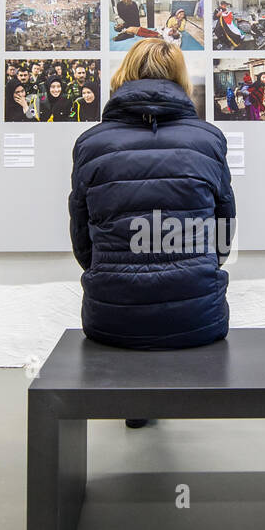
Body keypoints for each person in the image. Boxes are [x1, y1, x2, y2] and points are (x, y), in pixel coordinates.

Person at [69, 39, 235, 426]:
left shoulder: (91, 143)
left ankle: (139, 400)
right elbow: (225, 225)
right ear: (181, 79)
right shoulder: (208, 139)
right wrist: (208, 264)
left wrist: (104, 270)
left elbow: (81, 234)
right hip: (199, 314)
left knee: (134, 321)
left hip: (111, 314)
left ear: (123, 73)